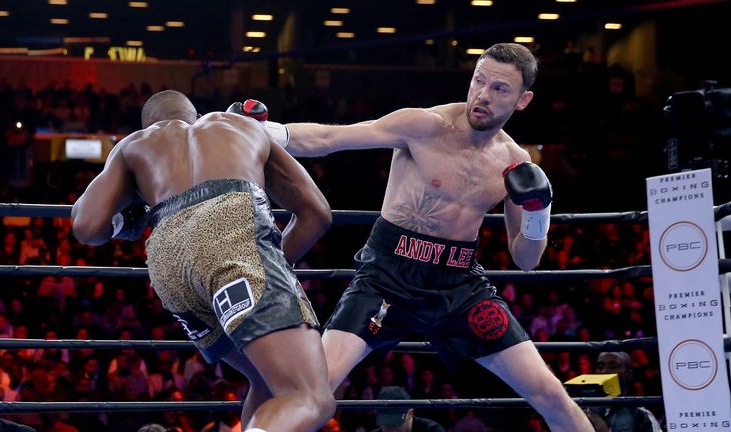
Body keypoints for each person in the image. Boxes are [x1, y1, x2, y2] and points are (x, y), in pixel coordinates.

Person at [244, 42, 594, 431]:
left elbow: (526, 259)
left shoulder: (515, 163)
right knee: (312, 392)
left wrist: (537, 214)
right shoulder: (425, 126)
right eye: (480, 81)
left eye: (500, 89)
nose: (482, 95)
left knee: (551, 394)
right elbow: (329, 139)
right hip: (387, 277)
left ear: (523, 99)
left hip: (459, 286)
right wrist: (265, 131)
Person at [71, 90, 335, 432]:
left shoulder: (133, 145)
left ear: (149, 123)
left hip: (168, 260)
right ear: (192, 115)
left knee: (268, 384)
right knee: (310, 396)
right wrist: (264, 274)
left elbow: (86, 227)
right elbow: (318, 213)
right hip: (231, 231)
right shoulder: (239, 125)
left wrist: (128, 213)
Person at [590, 351, 662, 432]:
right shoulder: (585, 410)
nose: (605, 371)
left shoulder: (640, 414)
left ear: (629, 374)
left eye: (613, 367)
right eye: (600, 367)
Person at [371, 386, 445, 432]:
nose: (391, 431)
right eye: (387, 425)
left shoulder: (432, 430)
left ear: (410, 413)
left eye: (395, 424)